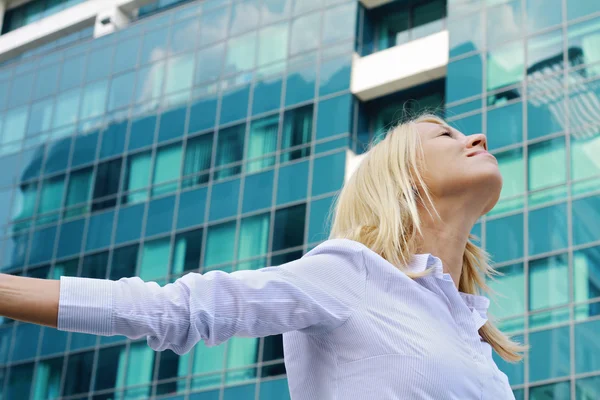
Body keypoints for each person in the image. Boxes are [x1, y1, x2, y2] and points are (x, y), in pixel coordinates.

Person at [0, 114, 526, 399]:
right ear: (403, 178)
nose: (476, 136)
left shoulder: (475, 343)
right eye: (444, 134)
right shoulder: (351, 276)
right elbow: (176, 311)